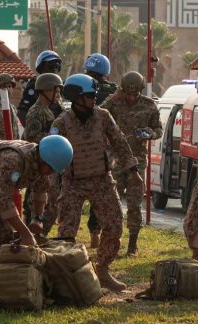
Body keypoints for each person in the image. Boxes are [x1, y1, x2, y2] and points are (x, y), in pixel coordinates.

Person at [54, 74, 142, 292]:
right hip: (72, 183)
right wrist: (50, 185)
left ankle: (102, 270)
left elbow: (120, 142)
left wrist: (132, 170)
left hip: (102, 180)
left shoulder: (103, 116)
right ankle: (68, 278)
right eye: (90, 95)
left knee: (113, 226)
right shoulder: (61, 123)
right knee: (66, 233)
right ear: (76, 97)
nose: (94, 99)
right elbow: (52, 154)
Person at [0, 137, 72, 306]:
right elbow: (4, 201)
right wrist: (25, 233)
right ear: (43, 158)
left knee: (2, 237)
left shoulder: (40, 164)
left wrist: (37, 219)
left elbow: (41, 191)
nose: (50, 173)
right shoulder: (14, 161)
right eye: (50, 169)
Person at [101, 71, 162, 256]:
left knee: (135, 203)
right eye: (128, 93)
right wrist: (114, 97)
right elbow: (97, 114)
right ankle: (112, 240)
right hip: (116, 159)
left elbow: (158, 129)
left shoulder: (149, 105)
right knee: (113, 202)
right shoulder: (114, 103)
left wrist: (150, 133)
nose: (131, 97)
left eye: (135, 94)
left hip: (137, 160)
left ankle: (132, 244)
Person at [20, 72, 63, 234]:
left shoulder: (49, 110)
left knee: (51, 204)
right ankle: (32, 236)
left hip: (47, 163)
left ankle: (38, 235)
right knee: (37, 204)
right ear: (45, 91)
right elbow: (32, 139)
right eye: (56, 90)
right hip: (38, 164)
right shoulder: (36, 112)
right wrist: (56, 138)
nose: (58, 94)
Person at [83, 53, 116, 247]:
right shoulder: (114, 91)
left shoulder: (81, 88)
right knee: (101, 193)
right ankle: (96, 233)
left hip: (81, 147)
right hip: (105, 150)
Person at [17, 50, 63, 125]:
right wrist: (34, 127)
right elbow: (22, 112)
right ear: (41, 67)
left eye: (57, 65)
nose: (55, 68)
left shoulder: (58, 85)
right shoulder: (34, 84)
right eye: (51, 65)